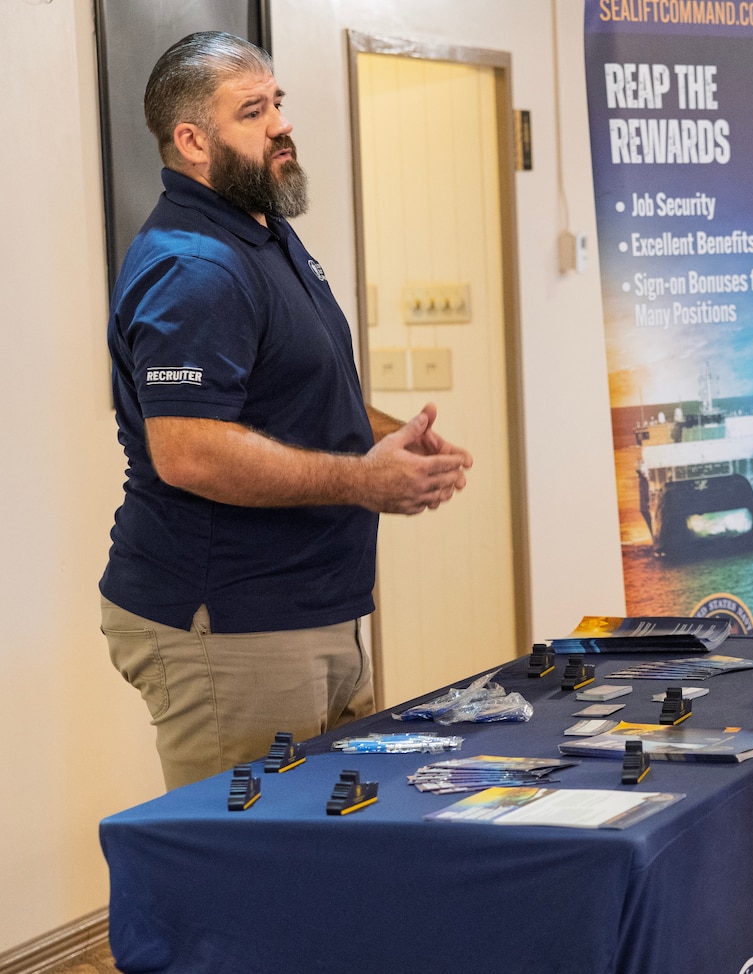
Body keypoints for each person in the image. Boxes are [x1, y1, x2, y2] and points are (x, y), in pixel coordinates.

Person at [100, 31, 474, 791]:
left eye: (277, 103)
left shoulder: (263, 236)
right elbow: (189, 449)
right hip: (231, 625)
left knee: (321, 857)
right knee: (249, 872)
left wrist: (390, 443)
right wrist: (363, 481)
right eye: (252, 111)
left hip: (311, 608)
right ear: (193, 141)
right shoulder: (193, 266)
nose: (280, 124)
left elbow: (301, 388)